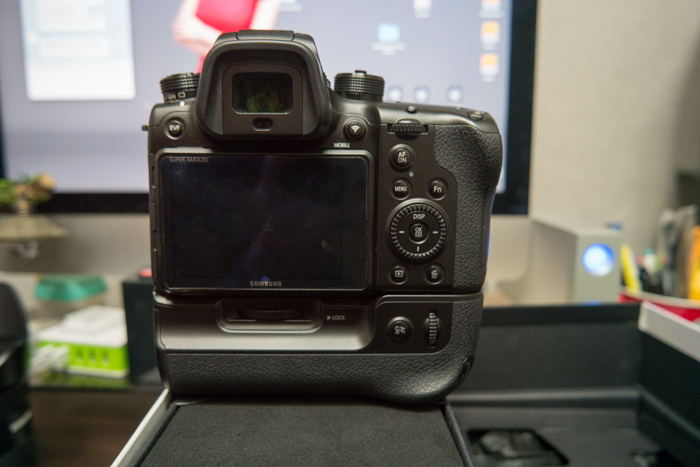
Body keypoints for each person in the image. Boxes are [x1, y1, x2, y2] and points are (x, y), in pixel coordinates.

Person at [172, 0, 281, 71]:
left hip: (239, 75)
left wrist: (201, 33)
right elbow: (181, 30)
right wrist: (233, 49)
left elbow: (255, 48)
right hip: (205, 72)